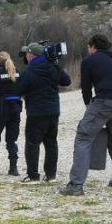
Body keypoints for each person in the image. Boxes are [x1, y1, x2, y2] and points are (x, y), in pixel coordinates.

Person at [61, 34, 112, 196]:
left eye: (89, 47)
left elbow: (86, 89)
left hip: (106, 101)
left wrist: (89, 106)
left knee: (83, 136)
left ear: (93, 46)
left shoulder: (89, 61)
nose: (88, 50)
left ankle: (76, 185)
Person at [13, 42, 71, 184]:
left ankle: (33, 176)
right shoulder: (52, 67)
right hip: (53, 111)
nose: (26, 56)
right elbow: (67, 81)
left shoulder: (29, 71)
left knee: (32, 144)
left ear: (31, 55)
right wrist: (56, 66)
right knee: (51, 142)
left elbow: (17, 90)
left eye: (27, 53)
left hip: (36, 112)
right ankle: (51, 175)